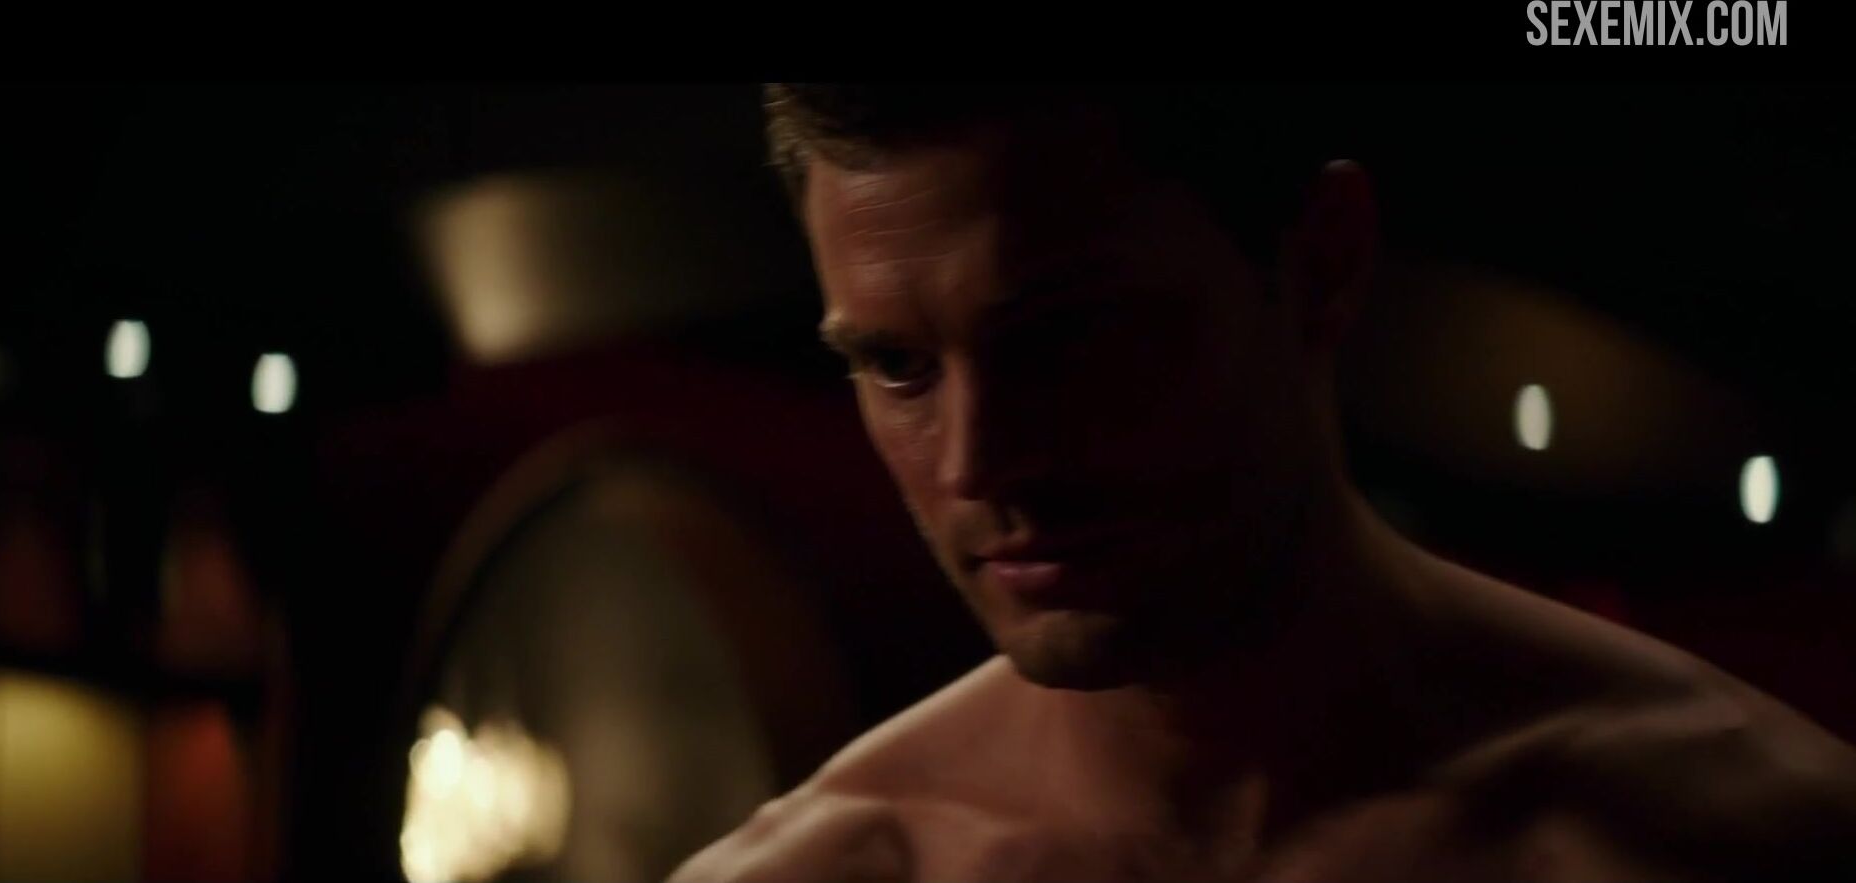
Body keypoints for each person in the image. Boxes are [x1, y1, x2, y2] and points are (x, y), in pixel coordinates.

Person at [667, 84, 1856, 882]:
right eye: (897, 365)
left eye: (1065, 338)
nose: (975, 460)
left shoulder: (1736, 831)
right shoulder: (822, 870)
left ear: (1320, 265)